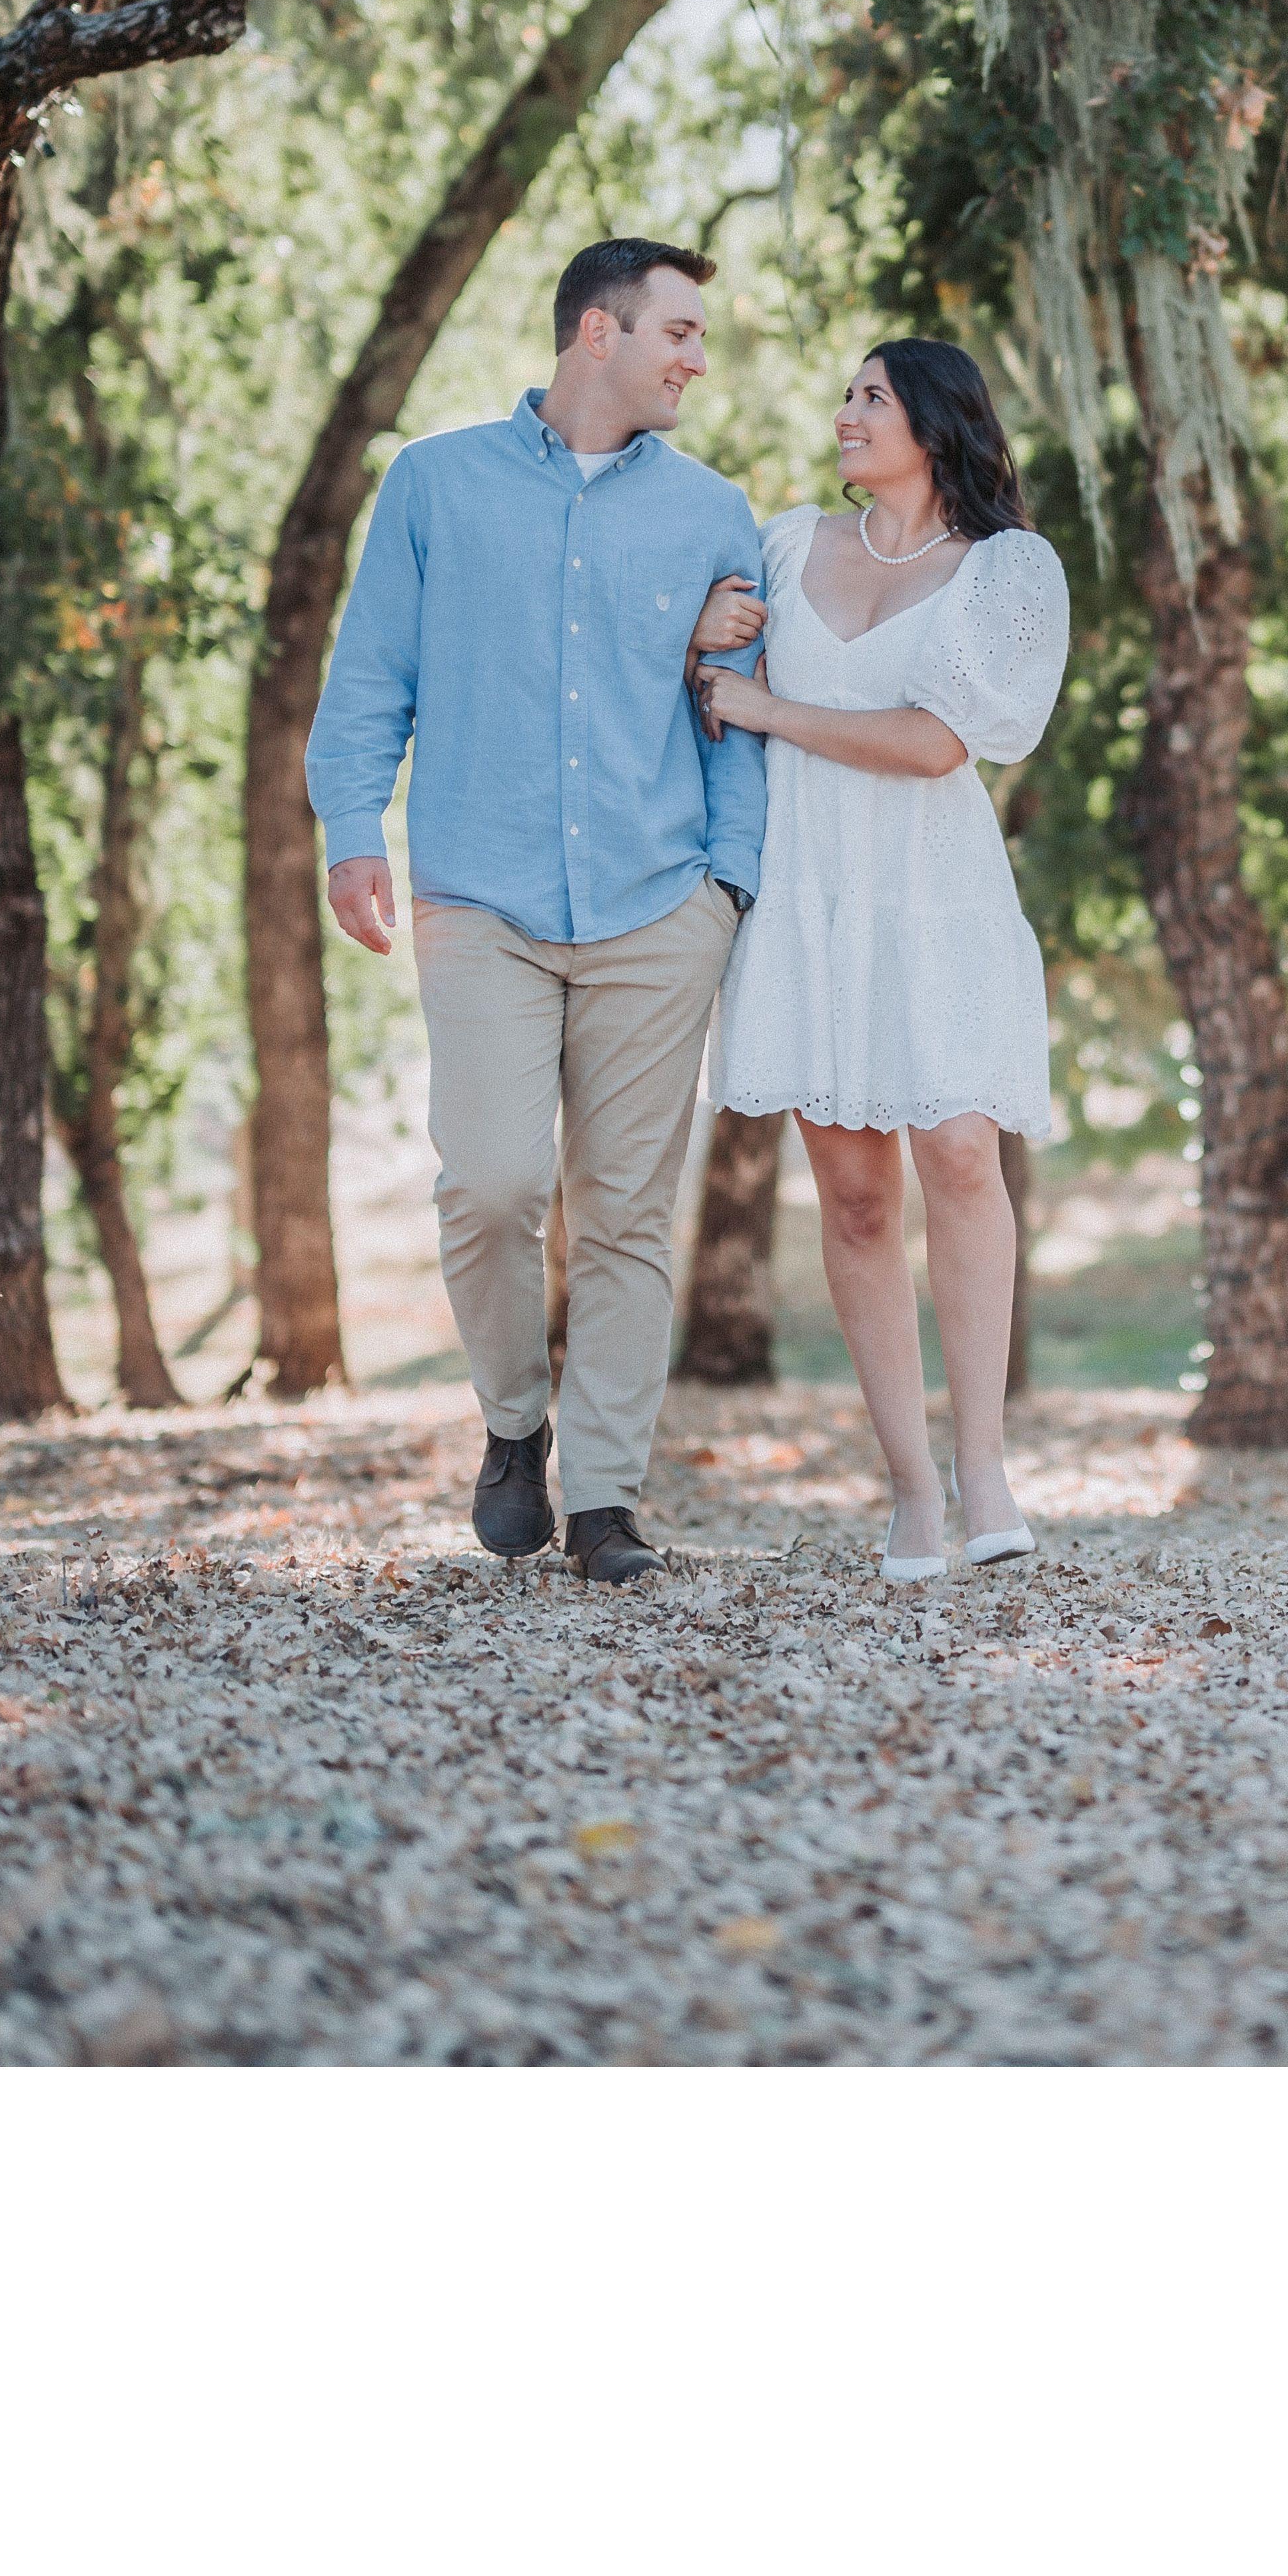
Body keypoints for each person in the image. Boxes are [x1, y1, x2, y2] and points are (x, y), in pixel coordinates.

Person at [303, 239, 766, 1583]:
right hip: (482, 897)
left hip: (659, 903)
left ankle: (607, 1499)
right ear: (596, 334)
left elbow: (733, 717)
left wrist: (728, 885)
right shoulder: (435, 483)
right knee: (493, 1184)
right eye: (678, 332)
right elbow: (371, 673)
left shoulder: (713, 513)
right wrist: (352, 831)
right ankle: (515, 1426)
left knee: (625, 1216)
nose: (696, 360)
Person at [693, 340, 1071, 1584]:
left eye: (873, 397)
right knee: (856, 1199)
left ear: (936, 423)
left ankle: (985, 1471)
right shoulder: (786, 545)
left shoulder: (1006, 570)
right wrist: (709, 642)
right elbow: (700, 677)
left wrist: (769, 710)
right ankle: (911, 1489)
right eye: (848, 395)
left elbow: (934, 745)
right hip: (811, 897)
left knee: (960, 1152)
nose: (846, 414)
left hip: (935, 898)